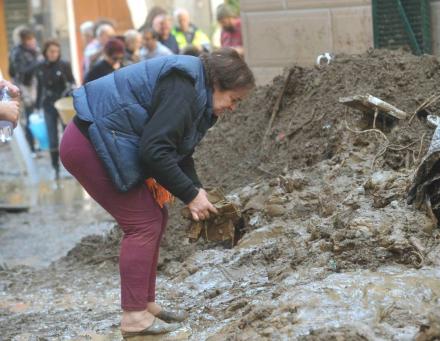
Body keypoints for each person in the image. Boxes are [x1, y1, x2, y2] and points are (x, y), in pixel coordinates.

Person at [60, 48, 255, 337]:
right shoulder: (184, 89)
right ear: (218, 83)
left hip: (103, 140)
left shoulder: (195, 89)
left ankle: (144, 303)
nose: (233, 108)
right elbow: (154, 151)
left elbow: (178, 150)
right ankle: (134, 317)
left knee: (156, 216)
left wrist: (197, 190)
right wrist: (190, 195)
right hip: (89, 145)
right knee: (142, 223)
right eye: (233, 99)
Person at [35, 40, 75, 179]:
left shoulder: (64, 64)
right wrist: (37, 106)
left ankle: (72, 167)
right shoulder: (40, 66)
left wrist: (70, 91)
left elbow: (72, 82)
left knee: (68, 136)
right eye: (51, 51)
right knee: (52, 138)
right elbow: (39, 87)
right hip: (48, 105)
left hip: (64, 104)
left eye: (56, 51)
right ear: (46, 52)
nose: (54, 54)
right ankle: (55, 168)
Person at [8, 27, 41, 154]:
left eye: (32, 38)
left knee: (35, 116)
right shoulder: (17, 53)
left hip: (34, 87)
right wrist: (37, 63)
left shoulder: (34, 51)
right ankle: (31, 147)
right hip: (23, 89)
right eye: (28, 39)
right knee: (28, 117)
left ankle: (36, 144)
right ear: (22, 41)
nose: (32, 41)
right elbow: (19, 72)